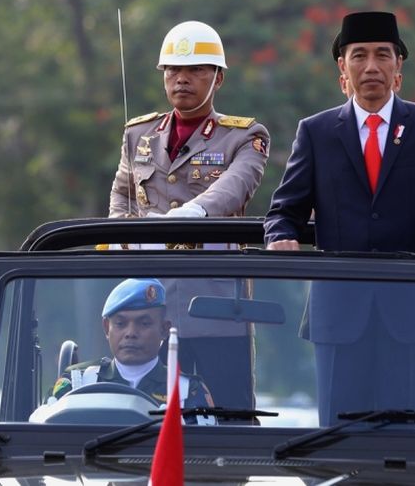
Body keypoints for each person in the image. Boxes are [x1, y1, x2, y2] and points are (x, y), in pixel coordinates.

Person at [264, 11, 415, 425]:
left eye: (383, 54)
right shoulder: (317, 131)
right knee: (339, 442)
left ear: (399, 66)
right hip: (339, 316)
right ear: (342, 68)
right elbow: (283, 210)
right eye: (358, 55)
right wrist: (281, 236)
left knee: (409, 440)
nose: (372, 66)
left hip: (414, 314)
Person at [108, 21, 270, 409]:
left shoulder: (245, 136)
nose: (183, 79)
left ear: (218, 79)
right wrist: (121, 237)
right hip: (149, 309)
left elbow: (236, 186)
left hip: (215, 306)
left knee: (228, 415)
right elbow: (122, 193)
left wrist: (195, 211)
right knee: (142, 413)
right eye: (173, 70)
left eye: (197, 70)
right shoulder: (138, 134)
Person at [50, 278, 214, 412]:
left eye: (143, 324)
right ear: (107, 328)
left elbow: (204, 447)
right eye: (121, 324)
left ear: (164, 329)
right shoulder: (77, 382)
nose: (131, 333)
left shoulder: (187, 391)